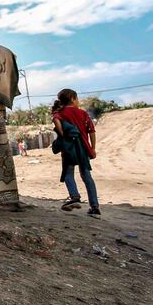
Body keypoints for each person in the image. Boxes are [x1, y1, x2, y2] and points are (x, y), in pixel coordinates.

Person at [51, 88, 100, 218]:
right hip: (83, 148)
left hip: (69, 149)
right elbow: (92, 132)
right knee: (86, 176)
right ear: (73, 99)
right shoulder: (83, 114)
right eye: (77, 99)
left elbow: (58, 125)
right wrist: (92, 148)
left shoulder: (60, 113)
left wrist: (63, 135)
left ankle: (74, 196)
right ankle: (94, 207)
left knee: (68, 174)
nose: (78, 101)